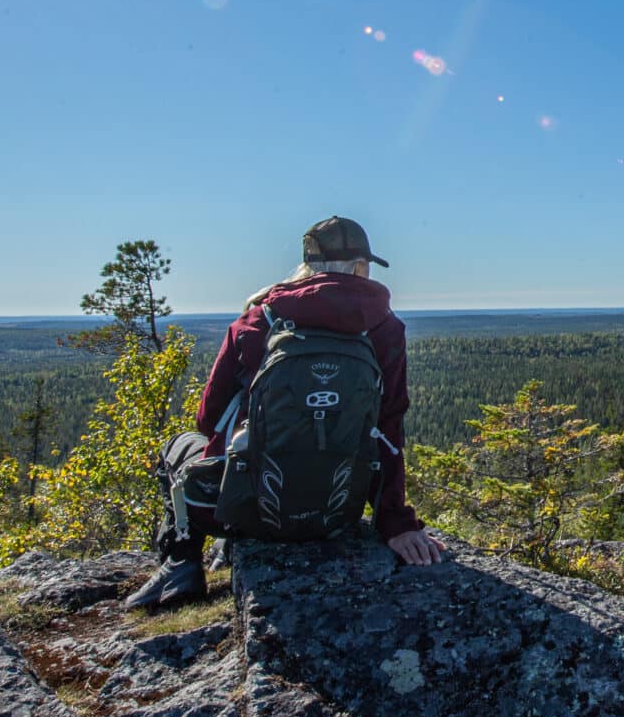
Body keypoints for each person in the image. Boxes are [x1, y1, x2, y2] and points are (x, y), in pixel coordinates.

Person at [124, 216, 447, 610]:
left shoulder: (259, 317)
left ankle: (181, 563)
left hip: (245, 510)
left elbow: (207, 422)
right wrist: (395, 523)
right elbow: (388, 426)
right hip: (336, 513)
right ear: (362, 266)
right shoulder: (385, 327)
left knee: (178, 446)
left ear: (308, 263)